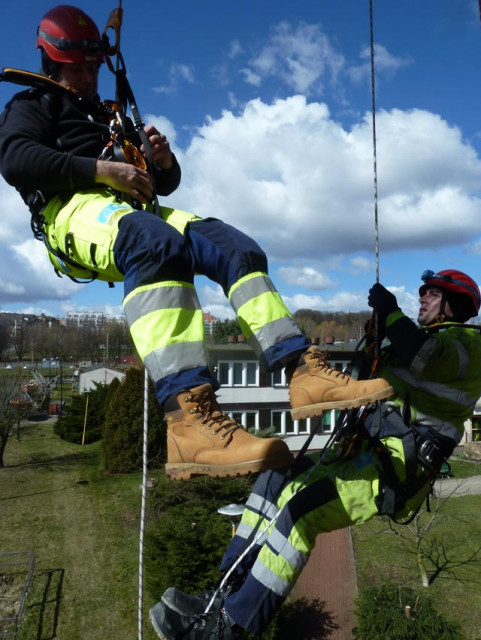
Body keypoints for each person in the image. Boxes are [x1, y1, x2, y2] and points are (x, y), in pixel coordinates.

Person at [0, 5, 392, 480]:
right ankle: (189, 421)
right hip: (72, 210)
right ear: (50, 64)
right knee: (154, 242)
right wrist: (101, 170)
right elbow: (15, 158)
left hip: (135, 207)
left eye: (90, 68)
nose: (86, 77)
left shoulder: (108, 115)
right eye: (75, 69)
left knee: (232, 245)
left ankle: (301, 371)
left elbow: (163, 186)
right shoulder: (32, 105)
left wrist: (159, 161)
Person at [149, 268, 481, 639]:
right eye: (423, 292)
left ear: (455, 305)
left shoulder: (469, 345)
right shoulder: (425, 341)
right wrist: (375, 340)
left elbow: (426, 356)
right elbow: (383, 373)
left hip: (397, 469)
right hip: (364, 452)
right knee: (275, 476)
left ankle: (232, 627)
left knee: (299, 514)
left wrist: (390, 314)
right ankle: (225, 593)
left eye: (432, 294)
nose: (422, 297)